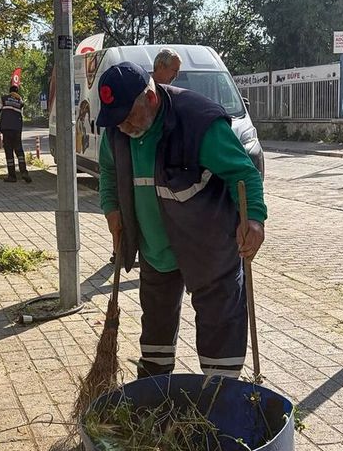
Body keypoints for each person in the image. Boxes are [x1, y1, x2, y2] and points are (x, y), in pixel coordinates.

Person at [97, 61, 266, 380]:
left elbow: (243, 173)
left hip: (208, 249)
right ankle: (156, 398)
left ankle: (221, 400)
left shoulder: (197, 121)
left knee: (220, 332)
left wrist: (254, 219)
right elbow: (108, 170)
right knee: (156, 336)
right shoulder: (117, 131)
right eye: (116, 120)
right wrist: (112, 208)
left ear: (150, 97)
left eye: (127, 117)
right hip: (155, 252)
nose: (122, 127)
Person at [0, 85, 31, 183]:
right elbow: (21, 112)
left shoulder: (3, 99)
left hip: (6, 128)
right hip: (16, 129)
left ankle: (12, 176)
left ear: (9, 91)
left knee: (9, 151)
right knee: (19, 151)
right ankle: (24, 172)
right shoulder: (20, 101)